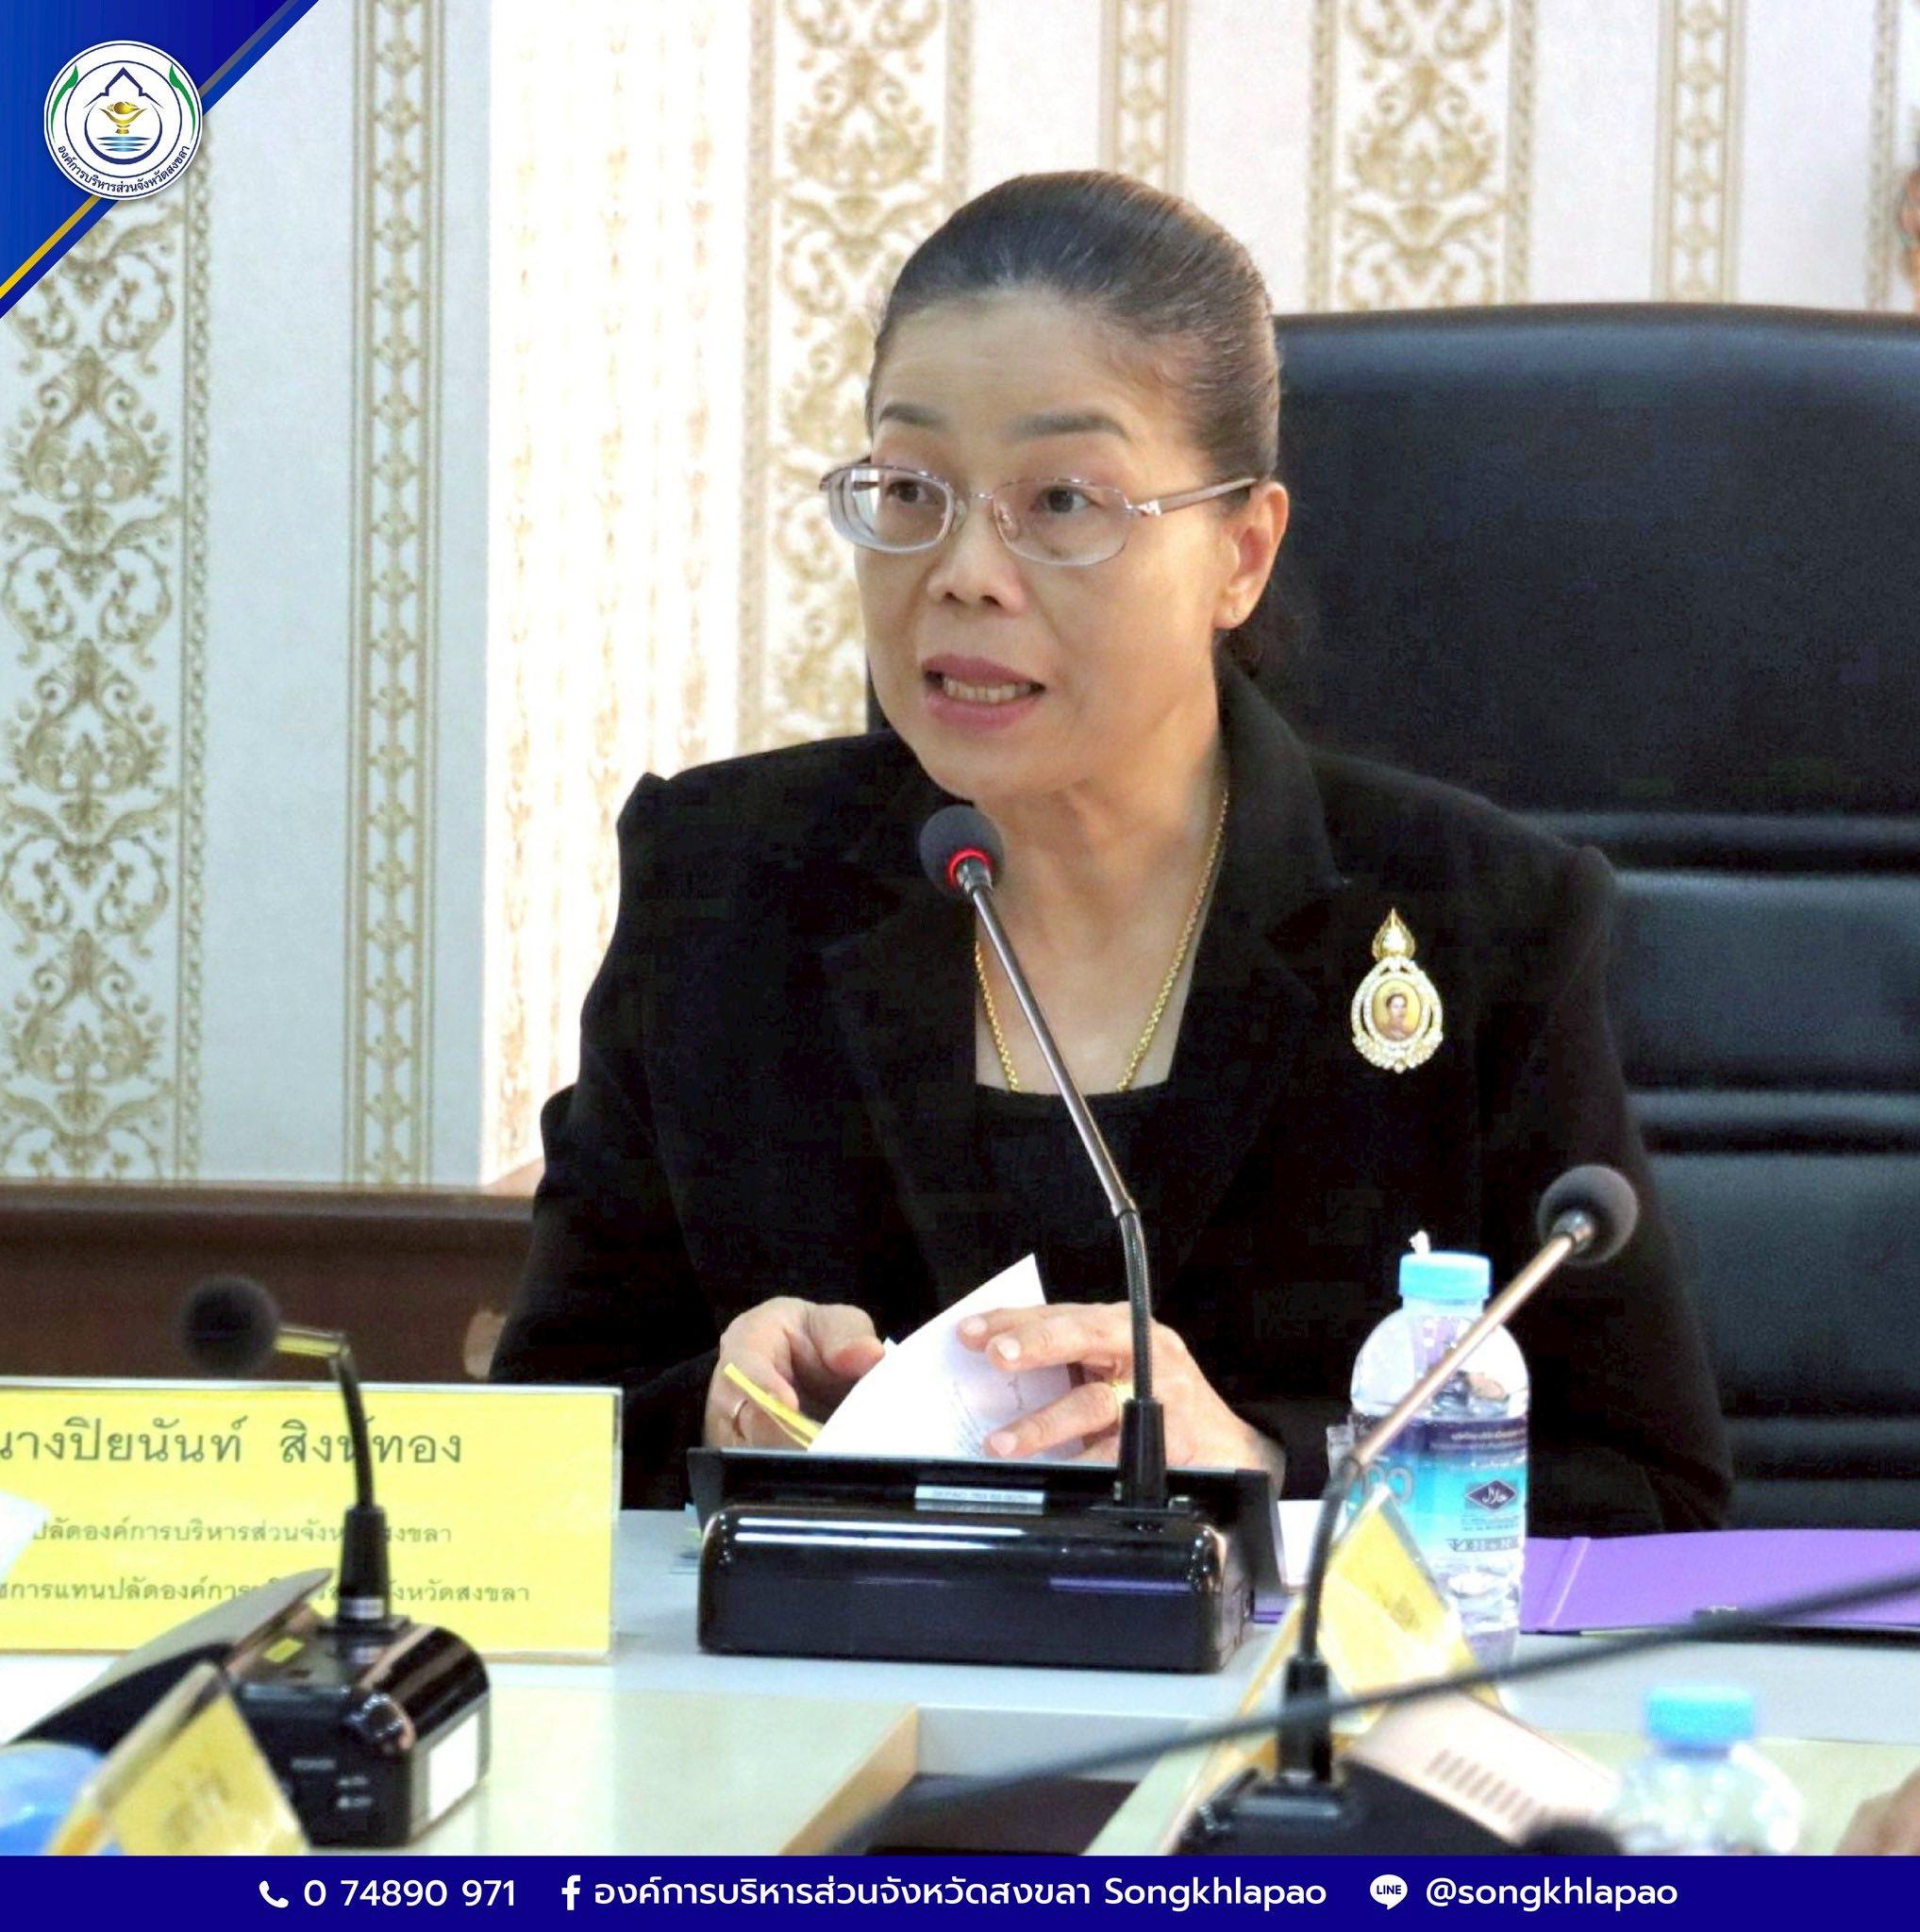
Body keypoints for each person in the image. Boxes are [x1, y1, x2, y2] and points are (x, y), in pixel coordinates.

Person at [492, 171, 1730, 1534]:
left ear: (1240, 554)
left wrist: (1263, 1464)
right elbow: (535, 1449)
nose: (964, 570)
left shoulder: (1476, 923)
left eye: (1065, 502)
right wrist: (719, 1415)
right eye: (908, 488)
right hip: (836, 1668)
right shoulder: (721, 885)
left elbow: (1651, 1493)